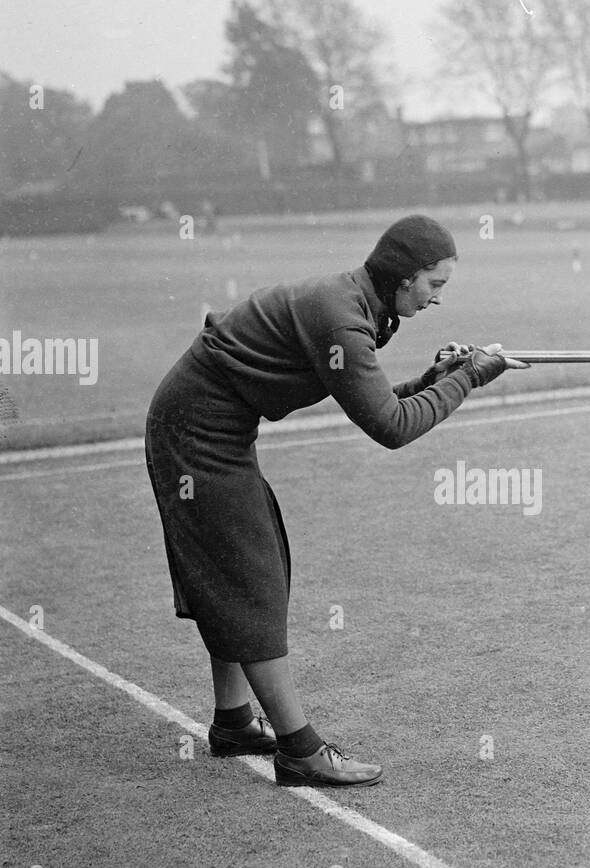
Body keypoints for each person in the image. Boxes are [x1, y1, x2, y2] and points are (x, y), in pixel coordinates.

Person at [145, 214, 527, 788]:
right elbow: (390, 427)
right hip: (194, 433)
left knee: (249, 562)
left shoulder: (355, 303)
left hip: (214, 429)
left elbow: (375, 401)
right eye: (434, 285)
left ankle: (234, 722)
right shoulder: (342, 317)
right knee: (248, 575)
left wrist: (438, 377)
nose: (437, 299)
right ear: (403, 277)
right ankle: (300, 751)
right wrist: (466, 378)